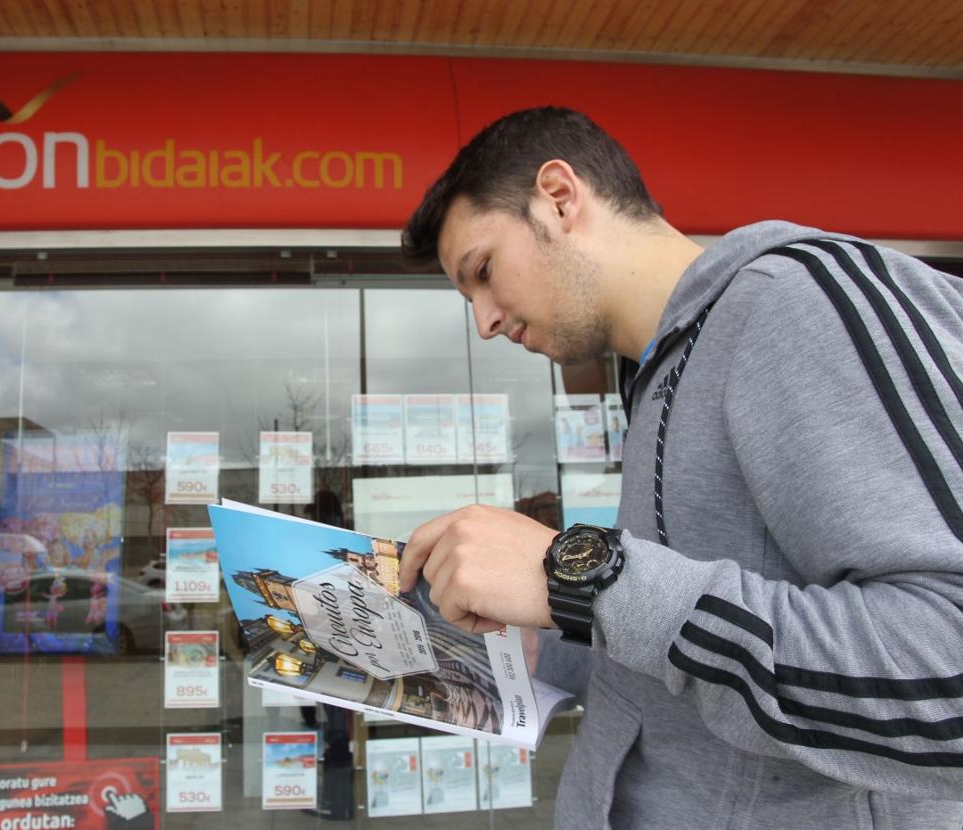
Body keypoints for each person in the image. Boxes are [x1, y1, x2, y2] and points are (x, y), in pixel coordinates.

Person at [397, 107, 963, 828]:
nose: (484, 322)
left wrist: (581, 577)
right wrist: (548, 642)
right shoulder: (658, 376)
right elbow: (691, 642)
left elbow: (946, 671)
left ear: (560, 198)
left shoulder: (797, 304)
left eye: (482, 271)